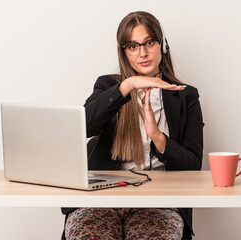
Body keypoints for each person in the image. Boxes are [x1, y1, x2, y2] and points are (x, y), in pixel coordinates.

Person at [61, 11, 204, 240]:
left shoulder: (186, 96)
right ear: (124, 52)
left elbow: (193, 166)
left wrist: (158, 137)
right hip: (101, 201)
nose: (143, 53)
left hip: (159, 203)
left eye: (149, 43)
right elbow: (83, 126)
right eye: (133, 46)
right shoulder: (108, 86)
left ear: (162, 45)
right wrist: (127, 86)